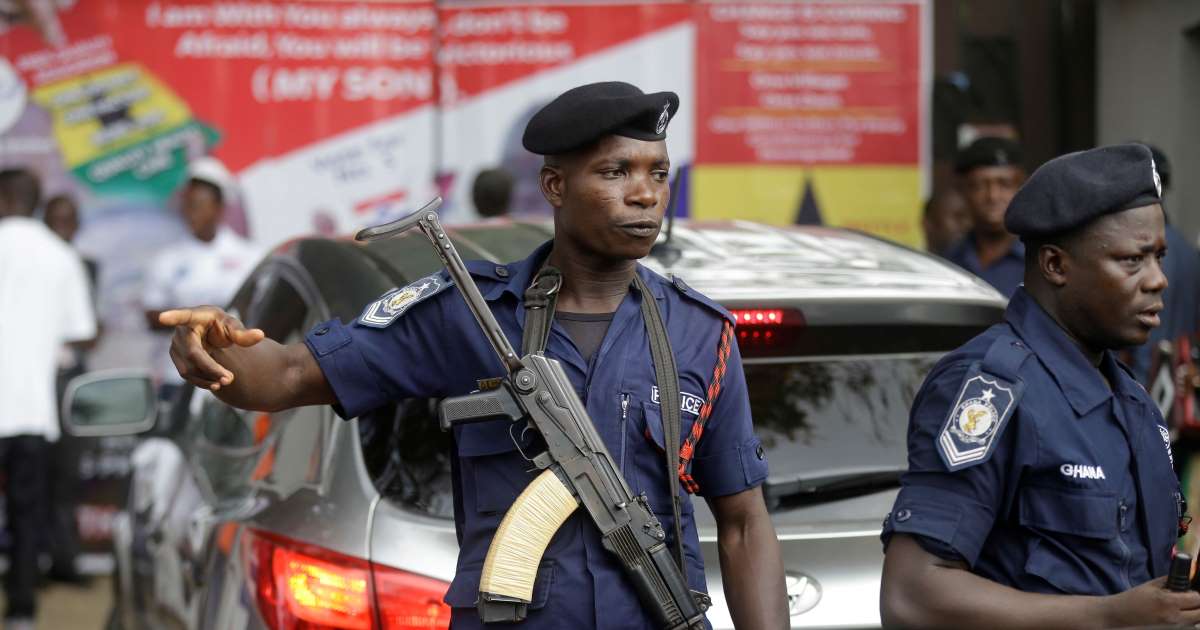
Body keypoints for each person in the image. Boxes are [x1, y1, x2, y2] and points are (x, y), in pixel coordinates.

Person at [158, 82, 788, 629]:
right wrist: (215, 350)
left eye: (658, 172)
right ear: (553, 186)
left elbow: (743, 523)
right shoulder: (469, 314)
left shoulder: (700, 333)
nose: (646, 194)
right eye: (616, 171)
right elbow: (288, 374)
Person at [879, 143, 1200, 627]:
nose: (1158, 280)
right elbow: (912, 595)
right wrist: (1111, 617)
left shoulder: (1133, 400)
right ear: (1055, 265)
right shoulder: (992, 390)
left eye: (1159, 257)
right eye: (1132, 261)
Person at [0, 168, 96, 629]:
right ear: (36, 201)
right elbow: (79, 332)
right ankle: (21, 609)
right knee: (25, 514)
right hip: (31, 411)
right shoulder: (59, 256)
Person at [142, 156, 259, 397]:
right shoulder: (167, 259)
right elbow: (152, 316)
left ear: (218, 207)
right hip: (181, 377)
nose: (189, 212)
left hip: (236, 373)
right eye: (187, 204)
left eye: (198, 204)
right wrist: (191, 319)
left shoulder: (249, 256)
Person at [42, 192, 97, 586]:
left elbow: (88, 331)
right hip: (27, 379)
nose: (62, 227)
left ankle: (65, 561)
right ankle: (29, 564)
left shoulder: (87, 267)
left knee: (66, 475)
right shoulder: (23, 265)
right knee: (28, 472)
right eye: (54, 219)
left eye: (68, 219)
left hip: (69, 380)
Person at [1127, 144, 1200, 386]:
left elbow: (1145, 349)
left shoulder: (1136, 254)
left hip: (1146, 390)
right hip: (1180, 389)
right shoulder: (1188, 251)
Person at [943, 136, 1027, 298]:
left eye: (1004, 184)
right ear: (964, 190)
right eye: (980, 185)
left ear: (1021, 187)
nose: (993, 196)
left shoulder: (1042, 263)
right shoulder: (949, 263)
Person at [922, 187, 971, 256]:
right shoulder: (910, 262)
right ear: (928, 224)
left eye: (968, 218)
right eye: (957, 217)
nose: (966, 224)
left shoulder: (972, 264)